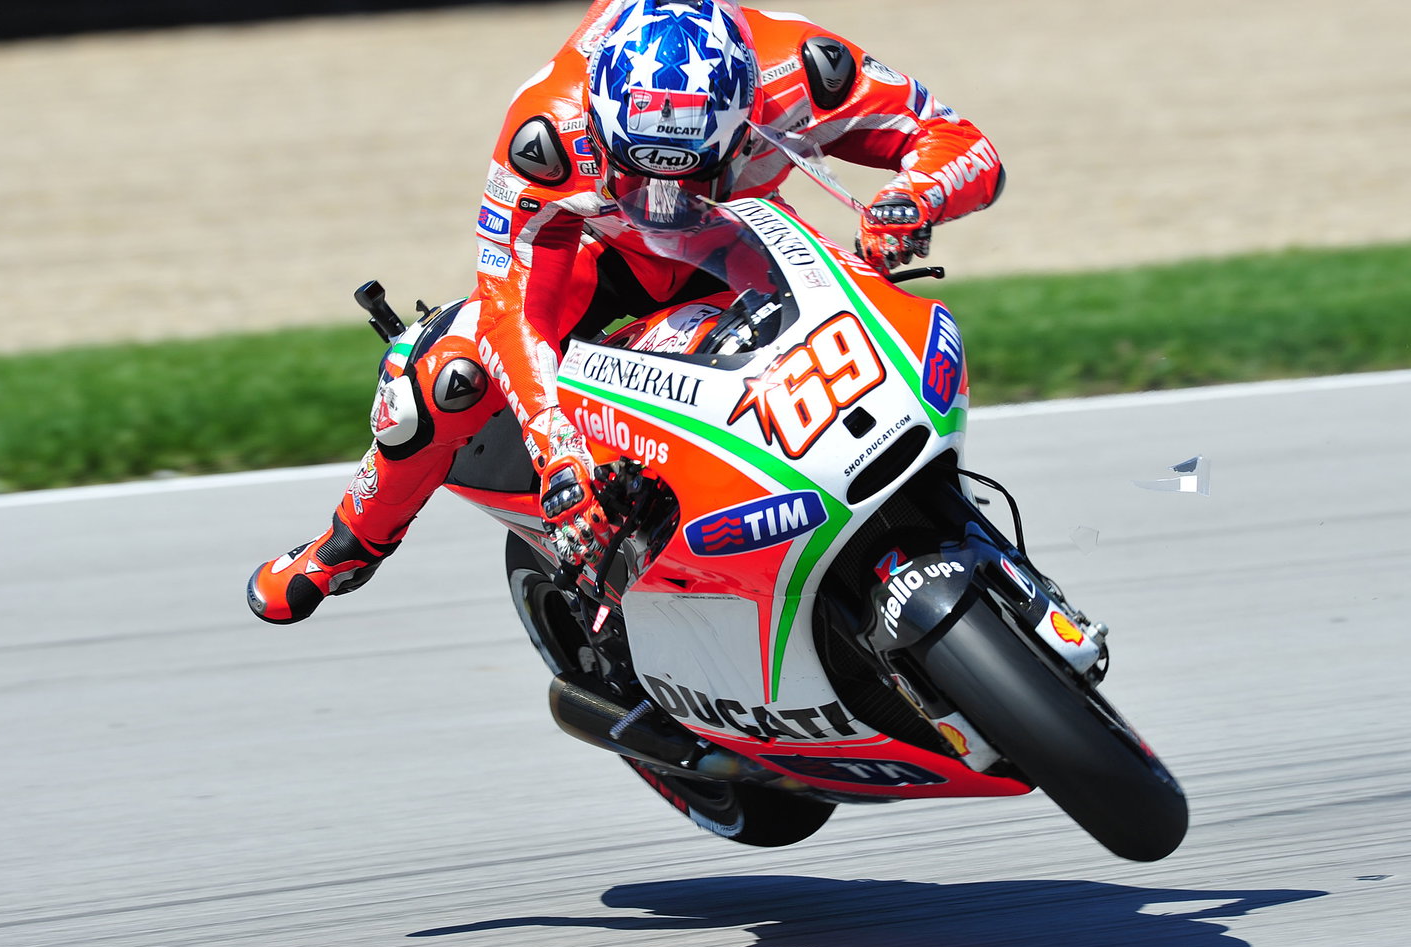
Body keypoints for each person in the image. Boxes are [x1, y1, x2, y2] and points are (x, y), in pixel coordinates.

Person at [247, 0, 1005, 624]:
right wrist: (559, 455)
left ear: (748, 117)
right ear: (601, 124)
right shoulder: (545, 129)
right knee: (438, 379)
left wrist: (915, 196)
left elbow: (961, 143)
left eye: (686, 175)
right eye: (638, 175)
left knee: (870, 325)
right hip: (594, 265)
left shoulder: (802, 69)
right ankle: (349, 543)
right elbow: (510, 302)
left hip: (744, 246)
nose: (661, 204)